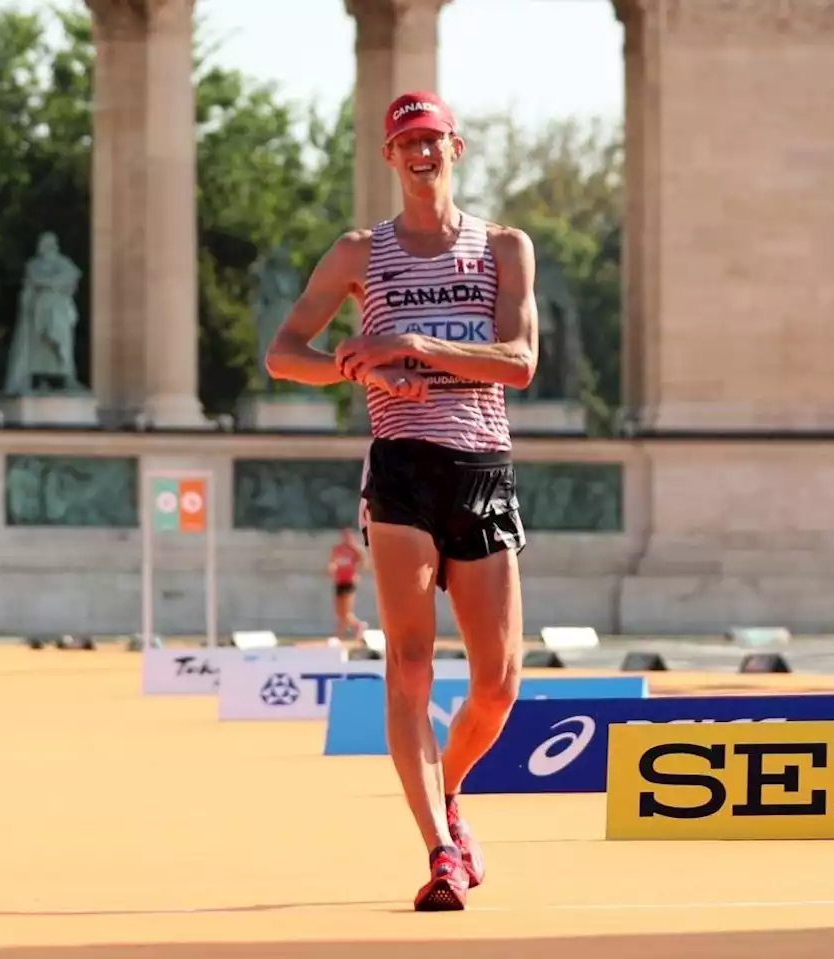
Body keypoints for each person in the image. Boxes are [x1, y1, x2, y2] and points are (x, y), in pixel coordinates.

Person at [266, 90, 537, 911]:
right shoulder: (359, 253)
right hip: (402, 469)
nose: (421, 154)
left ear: (456, 146)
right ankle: (440, 851)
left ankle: (450, 787)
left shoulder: (503, 246)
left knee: (498, 683)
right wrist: (355, 367)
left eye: (432, 140)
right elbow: (285, 354)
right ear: (389, 157)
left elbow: (519, 362)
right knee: (409, 668)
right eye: (405, 143)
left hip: (482, 464)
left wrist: (412, 342)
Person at [328, 528, 367, 639]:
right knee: (339, 612)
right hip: (339, 581)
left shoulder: (354, 550)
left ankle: (358, 626)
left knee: (346, 611)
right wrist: (332, 569)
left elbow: (363, 560)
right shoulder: (338, 549)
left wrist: (358, 573)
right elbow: (333, 561)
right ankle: (340, 635)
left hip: (348, 581)